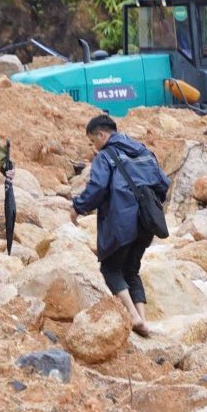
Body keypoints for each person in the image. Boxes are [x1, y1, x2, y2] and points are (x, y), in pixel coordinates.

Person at [73, 114, 170, 337]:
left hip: (121, 222)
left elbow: (97, 188)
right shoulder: (143, 151)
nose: (93, 146)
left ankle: (133, 317)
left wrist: (77, 207)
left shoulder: (106, 156)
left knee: (110, 268)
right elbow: (163, 184)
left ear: (102, 134)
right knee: (131, 270)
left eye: (92, 140)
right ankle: (143, 321)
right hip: (147, 223)